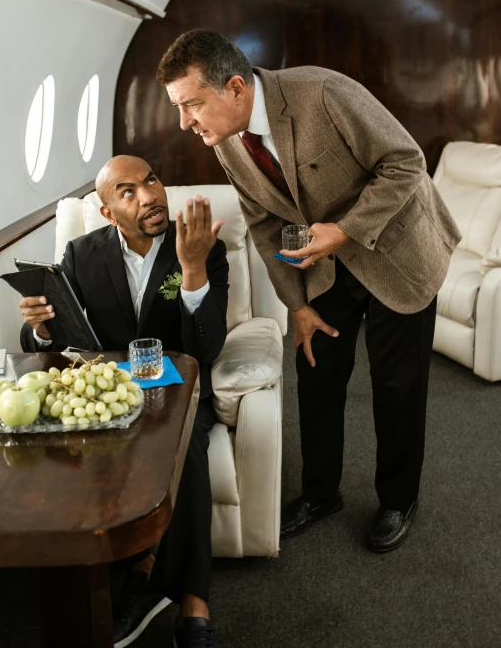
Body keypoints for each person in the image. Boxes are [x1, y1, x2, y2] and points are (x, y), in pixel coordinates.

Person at [156, 29, 461, 554]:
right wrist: (296, 306)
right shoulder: (226, 139)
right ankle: (322, 493)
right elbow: (264, 227)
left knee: (396, 385)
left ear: (233, 88)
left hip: (397, 250)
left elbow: (407, 163)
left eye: (191, 105)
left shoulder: (322, 92)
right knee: (317, 372)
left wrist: (342, 231)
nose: (186, 123)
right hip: (325, 265)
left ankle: (397, 499)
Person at [20, 155, 228, 648]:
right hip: (109, 391)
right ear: (109, 212)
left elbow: (207, 346)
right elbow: (56, 340)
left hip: (181, 387)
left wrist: (194, 268)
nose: (149, 195)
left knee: (188, 445)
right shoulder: (80, 254)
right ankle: (142, 568)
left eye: (151, 180)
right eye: (128, 191)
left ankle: (193, 603)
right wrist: (39, 326)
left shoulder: (201, 245)